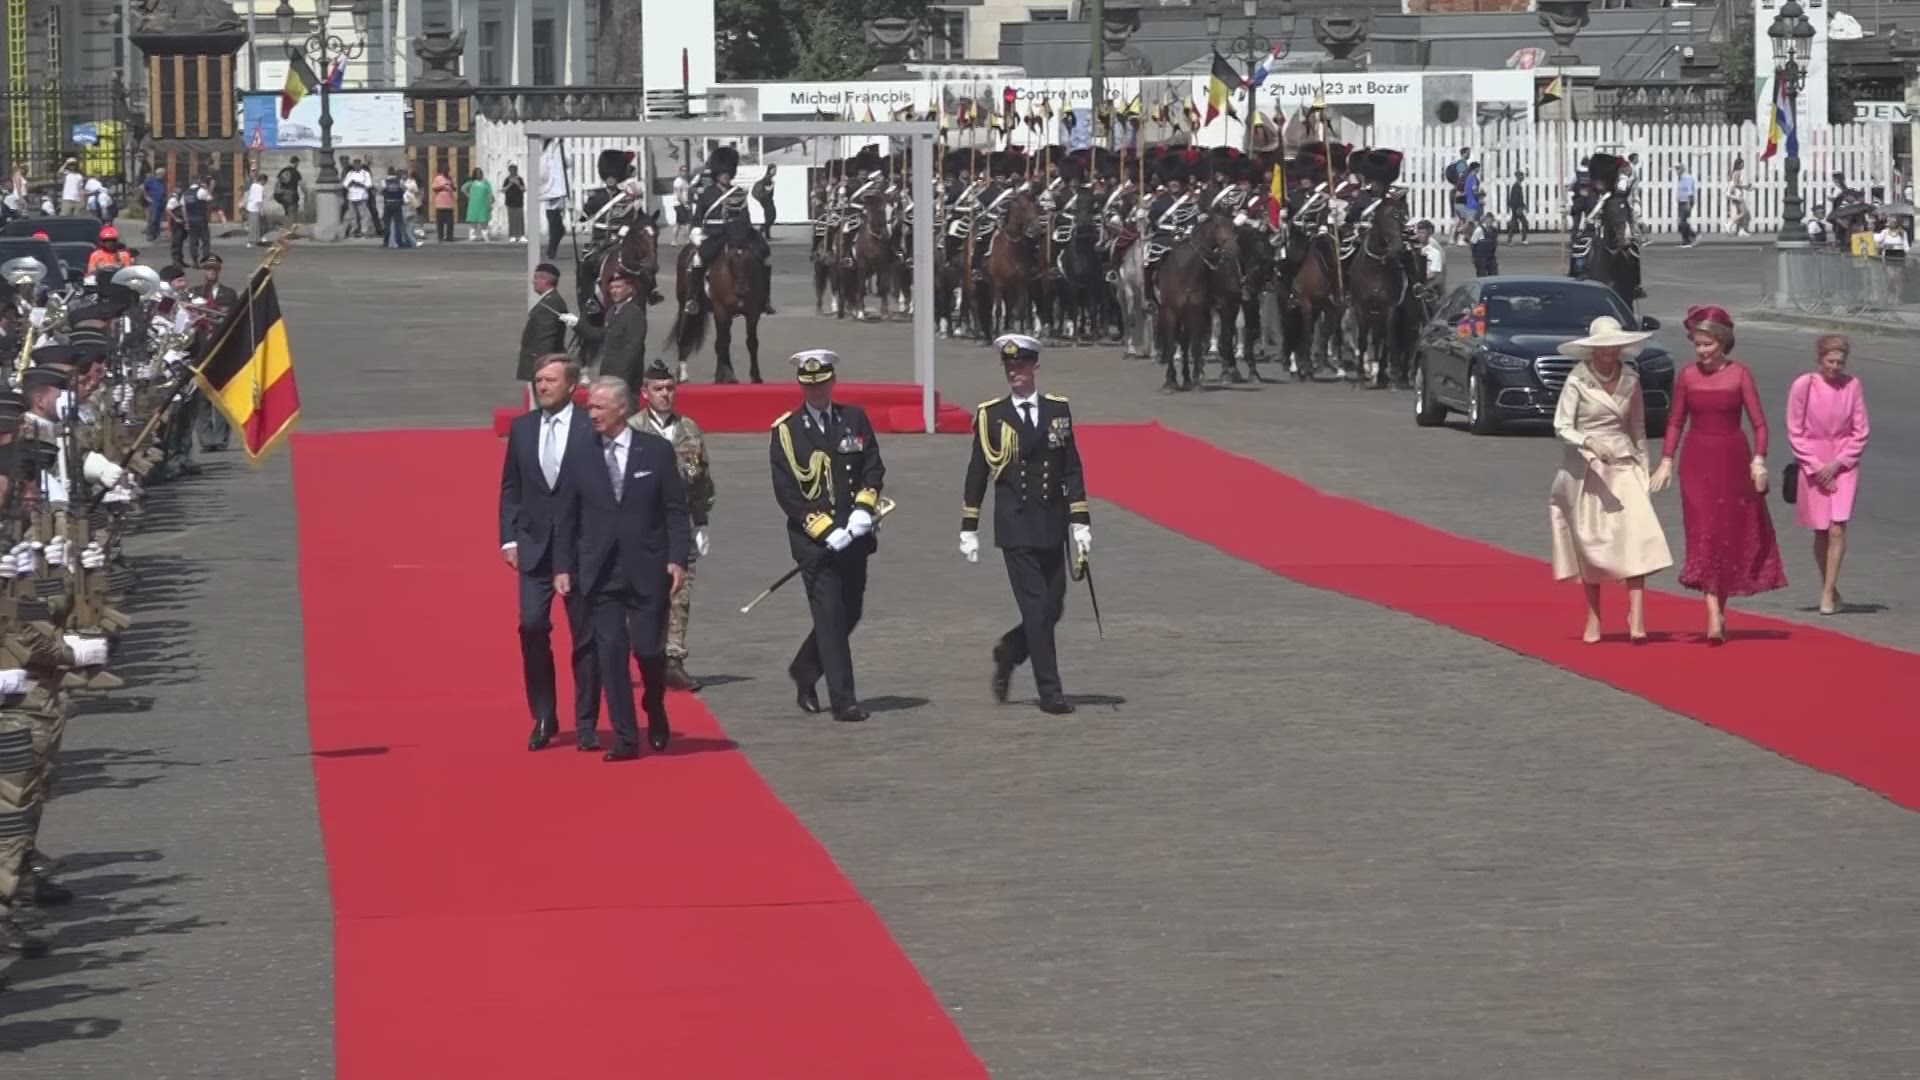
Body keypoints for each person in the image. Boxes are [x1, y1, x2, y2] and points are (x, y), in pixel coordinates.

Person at [553, 376, 690, 761]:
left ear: (622, 409)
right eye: (589, 406)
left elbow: (676, 512)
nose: (590, 413)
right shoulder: (579, 454)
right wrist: (563, 565)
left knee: (648, 649)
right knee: (610, 652)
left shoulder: (656, 452)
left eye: (597, 407)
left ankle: (655, 703)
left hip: (647, 566)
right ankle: (626, 737)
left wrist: (678, 558)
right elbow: (566, 516)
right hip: (600, 571)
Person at [960, 334, 1092, 714]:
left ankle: (1011, 651)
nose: (1014, 372)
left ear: (1035, 366)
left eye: (1021, 365)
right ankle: (1050, 692)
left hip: (1052, 522)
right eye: (1009, 366)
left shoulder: (1058, 411)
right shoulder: (992, 415)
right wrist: (969, 525)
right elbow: (977, 472)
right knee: (1036, 610)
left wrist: (1080, 523)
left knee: (1053, 609)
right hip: (1015, 525)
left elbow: (1071, 468)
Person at [1649, 306, 1787, 643]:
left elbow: (1759, 423)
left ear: (1723, 343)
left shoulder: (1740, 374)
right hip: (1697, 463)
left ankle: (1718, 608)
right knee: (1704, 533)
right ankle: (1712, 611)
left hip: (1733, 460)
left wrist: (1759, 460)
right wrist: (1666, 459)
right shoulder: (1687, 376)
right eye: (1697, 344)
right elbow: (1675, 420)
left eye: (1708, 345)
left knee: (1726, 536)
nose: (1701, 351)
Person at [769, 349, 884, 722]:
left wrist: (864, 511)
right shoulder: (786, 431)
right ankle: (844, 699)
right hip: (814, 543)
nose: (816, 392)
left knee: (851, 611)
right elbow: (787, 492)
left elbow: (873, 466)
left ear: (832, 382)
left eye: (821, 384)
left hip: (855, 536)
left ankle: (805, 667)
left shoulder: (854, 418)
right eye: (809, 386)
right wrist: (826, 530)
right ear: (801, 386)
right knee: (830, 615)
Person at [1548, 317, 1674, 643]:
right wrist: (1589, 442)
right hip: (1586, 467)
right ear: (1593, 349)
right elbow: (1562, 425)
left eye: (1615, 345)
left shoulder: (1631, 378)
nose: (1610, 352)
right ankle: (1593, 617)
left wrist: (1644, 471)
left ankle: (1638, 616)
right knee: (1592, 544)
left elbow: (1638, 429)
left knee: (1636, 535)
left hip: (1625, 464)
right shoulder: (1578, 380)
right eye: (1604, 347)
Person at [500, 354, 601, 751]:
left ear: (572, 386)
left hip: (580, 551)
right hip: (534, 549)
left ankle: (587, 720)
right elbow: (511, 487)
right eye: (538, 380)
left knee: (585, 638)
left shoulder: (590, 427)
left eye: (550, 380)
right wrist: (508, 539)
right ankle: (544, 714)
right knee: (532, 625)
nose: (541, 386)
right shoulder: (522, 429)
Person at [630, 360, 715, 691]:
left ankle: (673, 659)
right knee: (641, 594)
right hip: (642, 524)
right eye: (658, 389)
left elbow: (701, 480)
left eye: (669, 388)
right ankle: (645, 653)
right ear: (644, 393)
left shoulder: (689, 431)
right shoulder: (632, 430)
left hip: (679, 523)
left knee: (680, 592)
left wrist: (703, 519)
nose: (665, 395)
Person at [1785, 334, 1870, 616]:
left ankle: (1827, 592)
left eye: (1840, 362)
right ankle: (1831, 587)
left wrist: (1839, 463)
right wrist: (1816, 466)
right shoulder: (1804, 385)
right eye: (1830, 361)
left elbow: (1861, 431)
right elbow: (1795, 431)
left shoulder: (1852, 385)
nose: (1835, 367)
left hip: (1844, 465)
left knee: (1837, 527)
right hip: (1814, 462)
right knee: (1821, 530)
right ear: (1819, 359)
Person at [572, 272, 645, 389]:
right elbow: (600, 334)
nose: (614, 291)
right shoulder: (612, 311)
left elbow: (633, 350)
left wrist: (620, 381)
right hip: (607, 376)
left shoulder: (635, 314)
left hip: (624, 380)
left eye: (618, 287)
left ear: (630, 289)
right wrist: (576, 324)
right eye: (611, 288)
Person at [518, 263, 572, 395]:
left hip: (542, 364)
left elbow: (546, 339)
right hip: (544, 363)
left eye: (536, 278)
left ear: (545, 280)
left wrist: (541, 367)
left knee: (544, 402)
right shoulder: (550, 300)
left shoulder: (551, 303)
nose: (533, 281)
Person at [461, 167, 494, 242]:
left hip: (483, 204)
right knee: (473, 221)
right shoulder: (472, 182)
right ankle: (473, 236)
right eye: (477, 173)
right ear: (475, 174)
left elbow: (490, 191)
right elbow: (463, 188)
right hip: (474, 204)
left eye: (480, 173)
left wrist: (492, 199)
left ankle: (485, 236)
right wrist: (468, 195)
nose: (479, 174)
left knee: (484, 221)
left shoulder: (485, 182)